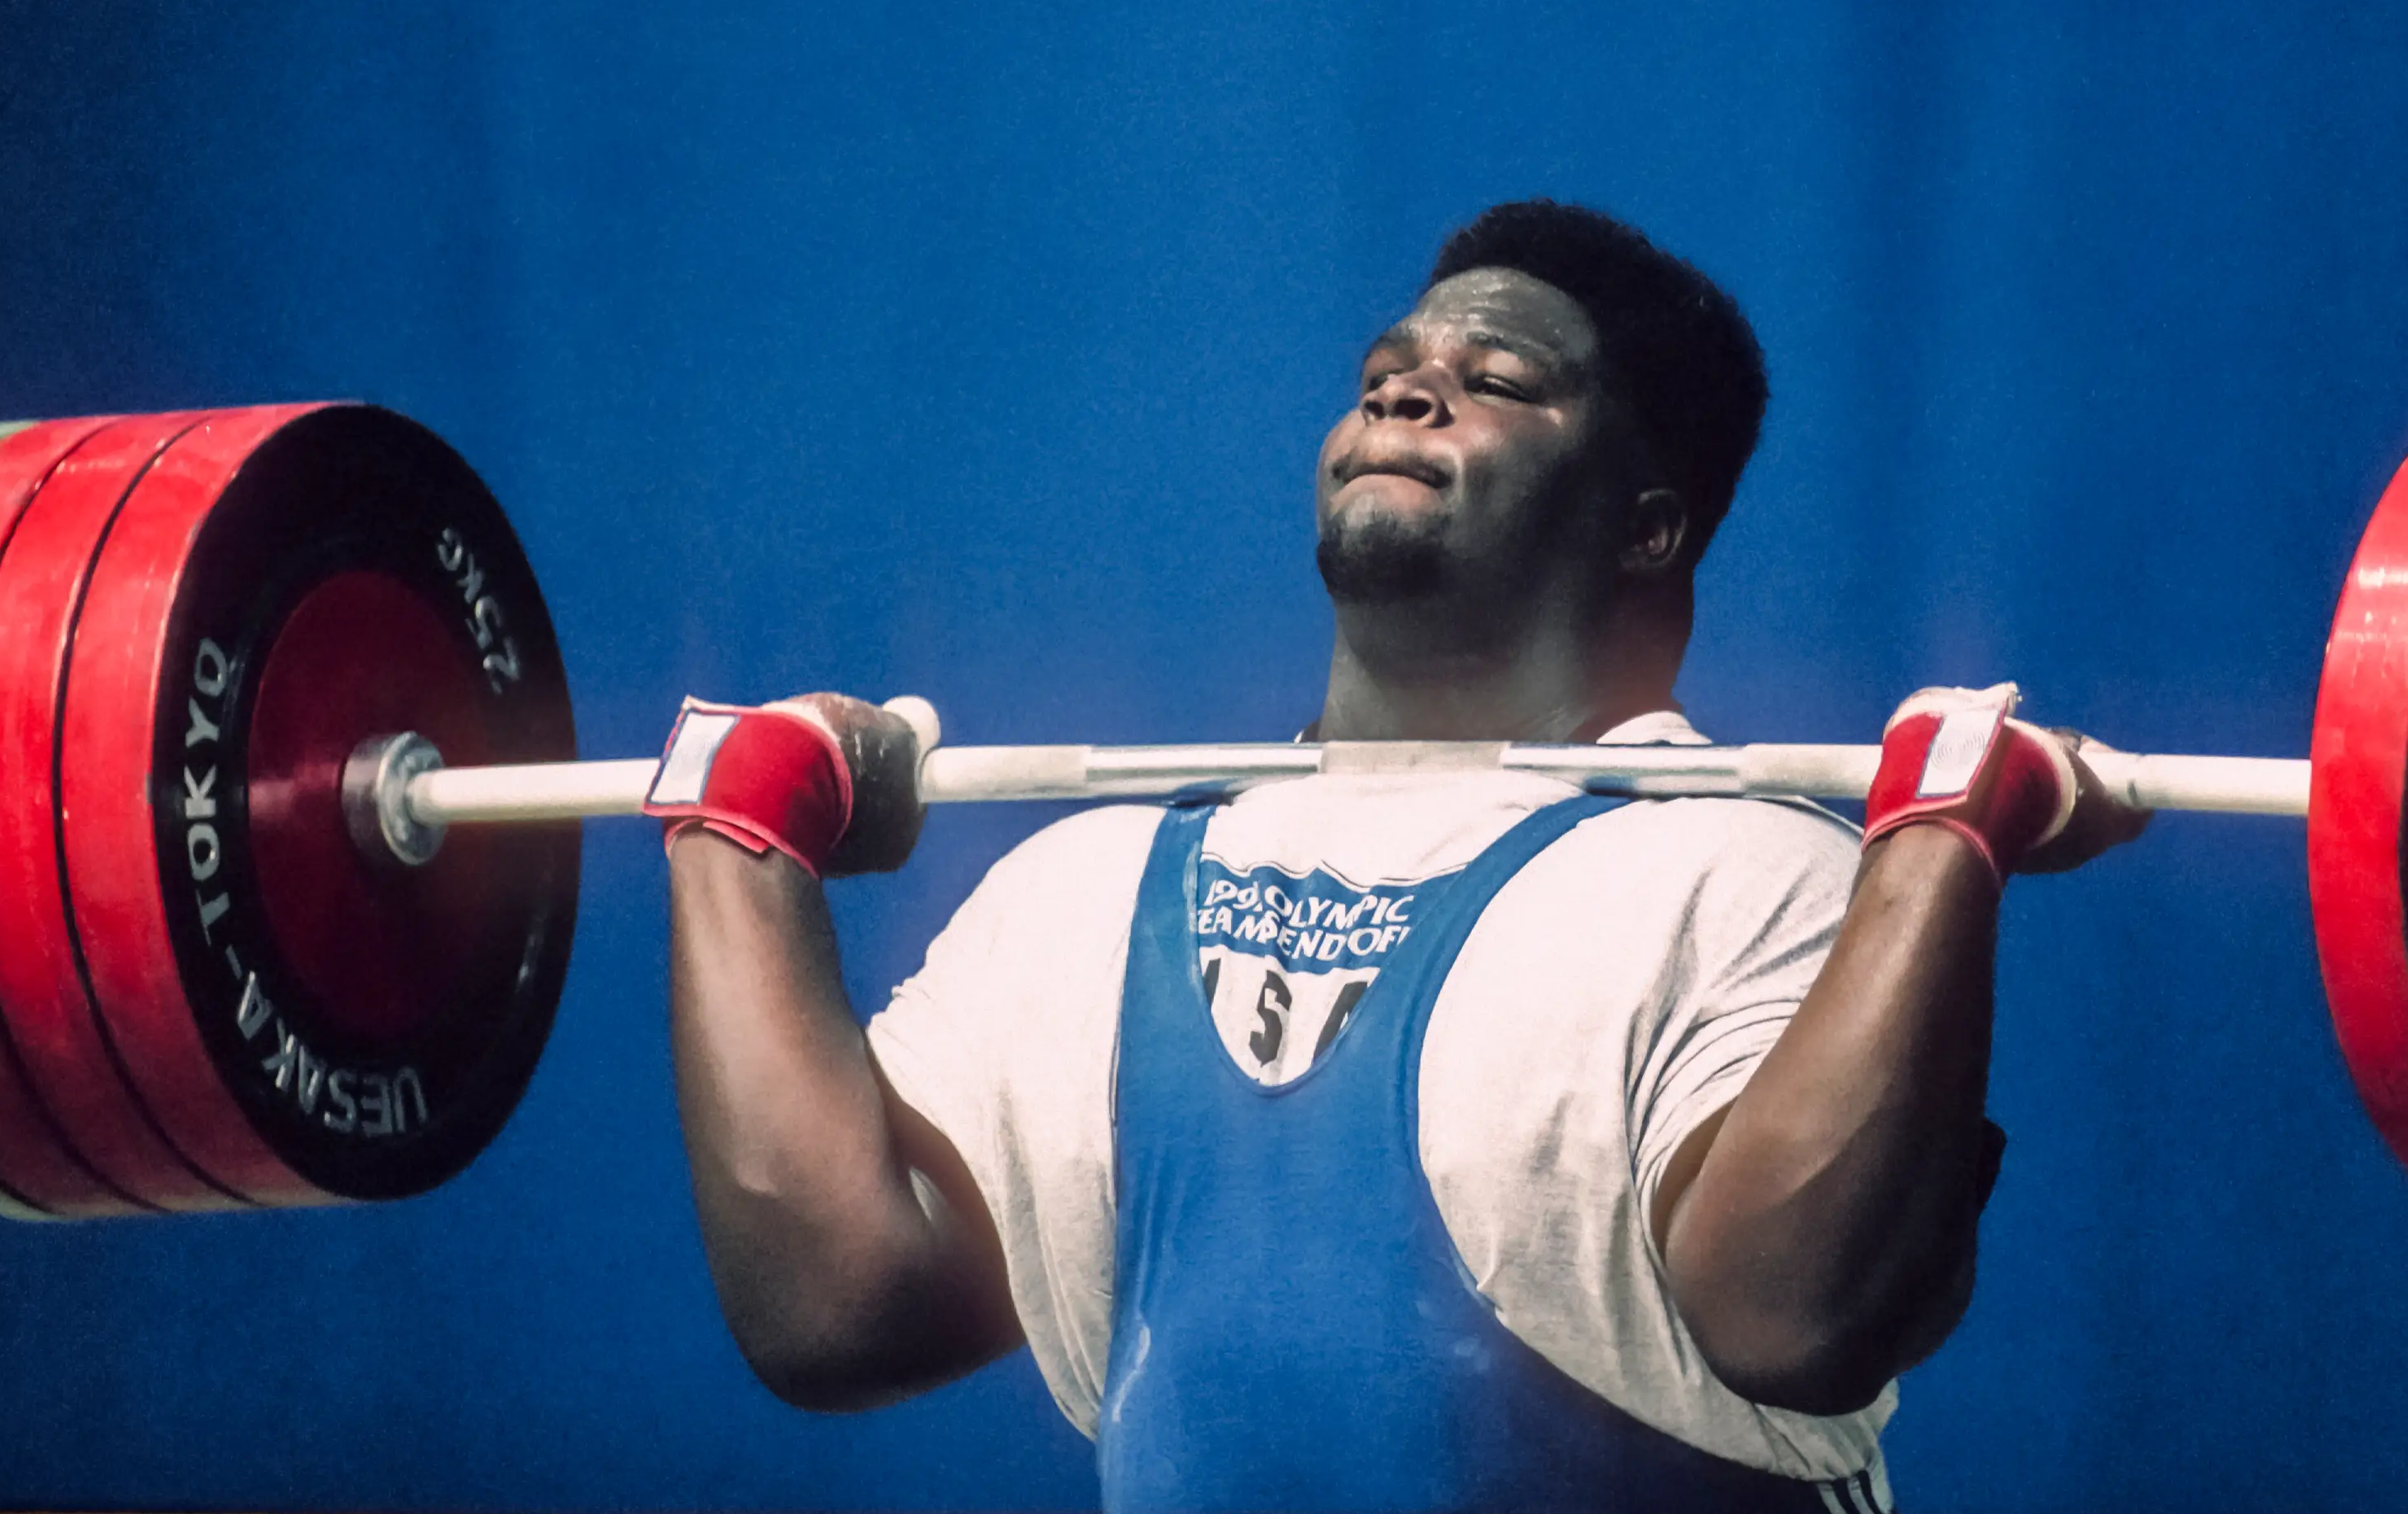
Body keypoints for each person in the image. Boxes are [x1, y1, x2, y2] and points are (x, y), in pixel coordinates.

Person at [654, 200, 2143, 1512]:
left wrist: (1940, 854)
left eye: (1494, 384)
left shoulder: (1750, 876)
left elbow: (1797, 1315)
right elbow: (834, 1308)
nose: (1412, 393)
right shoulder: (1080, 895)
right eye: (1387, 378)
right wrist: (739, 831)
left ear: (1650, 526)